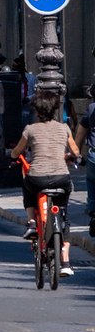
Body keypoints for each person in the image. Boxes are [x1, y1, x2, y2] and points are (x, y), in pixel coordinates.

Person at [11, 89, 80, 277]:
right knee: (63, 218)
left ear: (36, 110)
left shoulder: (30, 130)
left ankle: (33, 222)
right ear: (55, 109)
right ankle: (65, 262)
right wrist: (73, 157)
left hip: (37, 178)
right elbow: (74, 151)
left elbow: (17, 152)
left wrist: (13, 156)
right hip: (61, 178)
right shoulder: (64, 128)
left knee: (28, 188)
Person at [73, 82, 95, 237]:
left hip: (94, 156)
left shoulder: (91, 109)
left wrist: (77, 156)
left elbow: (79, 136)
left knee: (92, 183)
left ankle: (94, 214)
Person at [13, 54, 38, 126]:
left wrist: (28, 98)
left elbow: (37, 93)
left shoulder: (32, 78)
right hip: (16, 108)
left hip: (28, 107)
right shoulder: (13, 79)